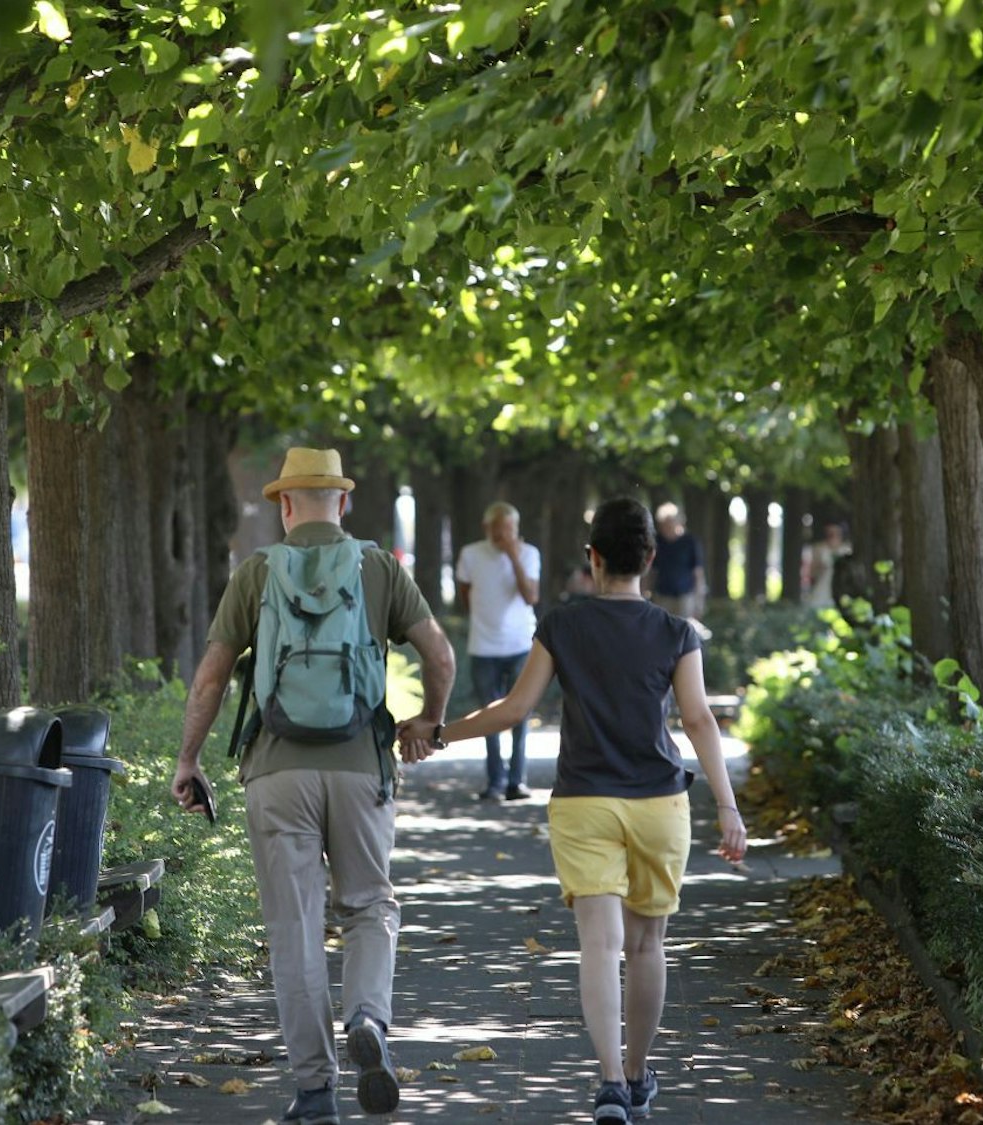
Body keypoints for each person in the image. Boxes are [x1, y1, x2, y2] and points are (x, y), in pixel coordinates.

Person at [401, 497, 748, 1125]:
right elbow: (697, 721)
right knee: (646, 947)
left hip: (583, 803)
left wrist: (437, 733)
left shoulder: (561, 626)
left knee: (599, 945)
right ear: (649, 557)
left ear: (591, 559)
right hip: (659, 805)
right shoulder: (677, 634)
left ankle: (610, 1082)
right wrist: (727, 807)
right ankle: (639, 1076)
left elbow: (512, 710)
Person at [173, 447, 456, 1125]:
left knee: (295, 928)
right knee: (368, 906)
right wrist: (429, 721)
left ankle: (315, 1090)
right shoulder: (379, 566)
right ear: (343, 501)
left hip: (276, 772)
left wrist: (189, 759)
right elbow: (440, 653)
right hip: (361, 766)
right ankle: (368, 1016)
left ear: (284, 504)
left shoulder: (256, 571)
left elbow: (211, 677)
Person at [454, 501, 541, 801]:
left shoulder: (529, 554)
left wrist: (514, 557)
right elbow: (465, 595)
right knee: (488, 715)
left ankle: (517, 780)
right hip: (484, 646)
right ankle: (495, 781)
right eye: (499, 529)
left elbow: (531, 596)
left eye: (510, 529)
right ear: (487, 528)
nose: (504, 536)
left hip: (520, 644)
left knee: (520, 713)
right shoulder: (470, 554)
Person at [645, 502, 705, 622]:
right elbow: (651, 571)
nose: (666, 528)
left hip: (685, 598)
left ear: (678, 522)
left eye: (669, 524)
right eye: (663, 525)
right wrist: (645, 594)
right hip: (661, 597)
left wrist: (699, 603)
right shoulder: (657, 542)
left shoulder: (690, 542)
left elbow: (698, 574)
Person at [804, 521, 848, 610]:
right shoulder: (819, 548)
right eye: (830, 533)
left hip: (841, 587)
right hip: (822, 588)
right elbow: (812, 572)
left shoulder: (846, 549)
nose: (833, 535)